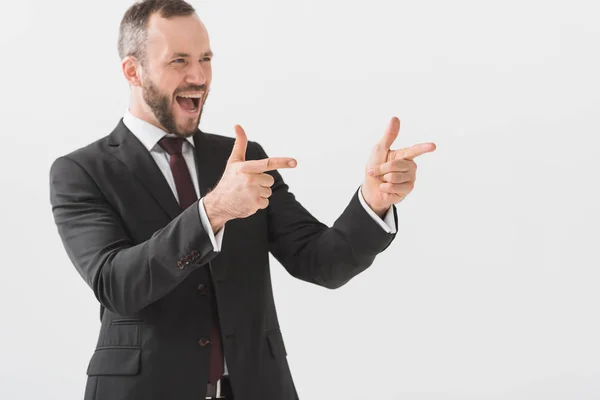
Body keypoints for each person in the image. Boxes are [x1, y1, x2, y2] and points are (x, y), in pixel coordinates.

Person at [49, 0, 436, 399]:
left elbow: (322, 262)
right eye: (179, 61)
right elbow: (117, 284)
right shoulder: (82, 171)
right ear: (133, 70)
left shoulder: (243, 160)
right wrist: (213, 211)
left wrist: (373, 202)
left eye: (206, 58)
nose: (198, 76)